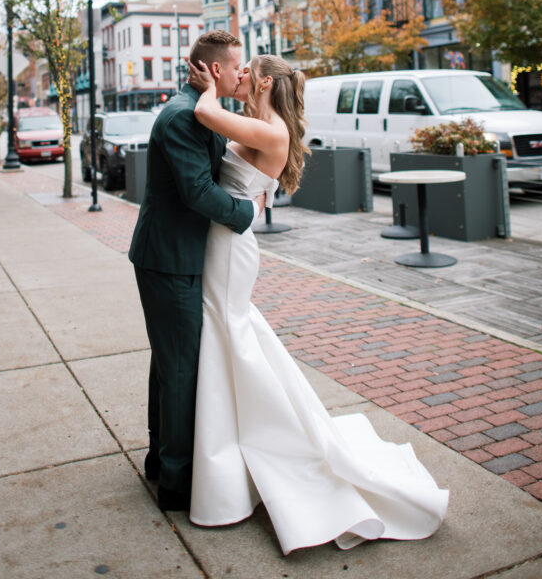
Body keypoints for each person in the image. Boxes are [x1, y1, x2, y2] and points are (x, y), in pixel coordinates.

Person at [186, 53, 449, 555]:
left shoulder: (274, 130)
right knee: (231, 334)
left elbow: (204, 114)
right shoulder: (261, 122)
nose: (237, 76)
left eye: (243, 72)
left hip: (230, 247)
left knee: (229, 334)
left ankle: (259, 443)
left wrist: (210, 84)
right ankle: (236, 445)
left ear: (262, 80)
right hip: (225, 241)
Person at [128, 31, 265, 512]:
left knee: (170, 365)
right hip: (170, 259)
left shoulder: (201, 109)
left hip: (179, 255)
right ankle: (177, 484)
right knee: (181, 368)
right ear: (214, 69)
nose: (240, 71)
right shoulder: (184, 116)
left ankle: (160, 460)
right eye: (235, 64)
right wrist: (248, 215)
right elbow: (198, 192)